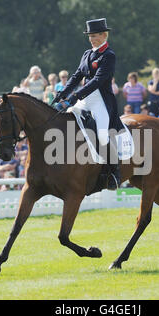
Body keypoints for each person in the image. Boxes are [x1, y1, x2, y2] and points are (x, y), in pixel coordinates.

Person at [54, 18, 125, 190]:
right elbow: (77, 76)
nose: (92, 39)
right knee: (66, 120)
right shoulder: (87, 54)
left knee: (102, 135)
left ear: (103, 35)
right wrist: (62, 93)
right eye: (90, 36)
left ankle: (114, 172)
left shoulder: (109, 55)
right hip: (85, 99)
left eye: (94, 36)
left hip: (100, 99)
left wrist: (75, 96)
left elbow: (98, 80)